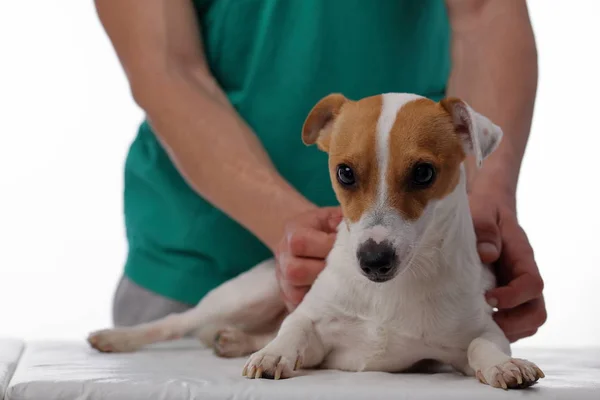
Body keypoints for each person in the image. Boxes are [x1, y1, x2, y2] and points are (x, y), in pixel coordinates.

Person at [96, 0, 546, 343]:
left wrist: (487, 198)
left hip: (421, 276)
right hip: (196, 264)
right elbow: (168, 70)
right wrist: (301, 240)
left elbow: (484, 11)